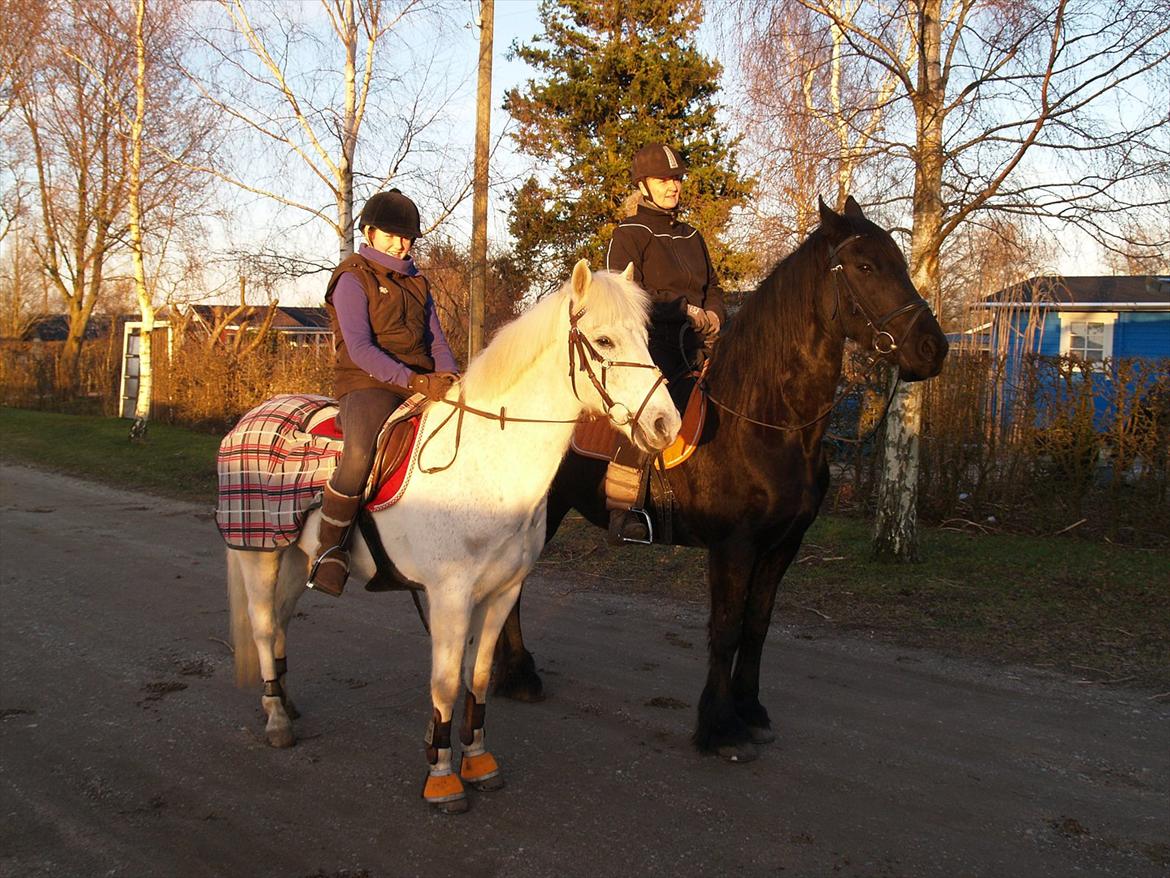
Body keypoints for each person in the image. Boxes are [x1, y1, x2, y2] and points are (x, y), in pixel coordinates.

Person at [308, 189, 459, 596]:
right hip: (367, 382)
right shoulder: (352, 278)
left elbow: (436, 340)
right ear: (369, 232)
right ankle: (330, 549)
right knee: (359, 452)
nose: (400, 244)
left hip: (420, 380)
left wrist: (449, 375)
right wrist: (414, 381)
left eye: (407, 237)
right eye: (392, 235)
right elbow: (360, 348)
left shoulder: (417, 281)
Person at [602, 142, 725, 543]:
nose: (673, 186)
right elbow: (624, 294)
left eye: (676, 178)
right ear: (644, 185)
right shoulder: (629, 233)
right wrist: (684, 310)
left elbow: (714, 287)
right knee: (644, 404)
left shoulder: (693, 235)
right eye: (662, 179)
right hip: (652, 347)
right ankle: (625, 509)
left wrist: (715, 315)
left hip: (701, 345)